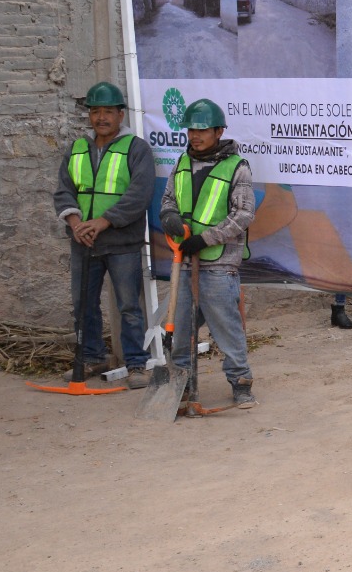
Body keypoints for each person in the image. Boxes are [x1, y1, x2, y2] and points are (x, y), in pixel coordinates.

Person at [52, 81, 156, 387]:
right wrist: (75, 224)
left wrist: (102, 222)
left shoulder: (136, 149)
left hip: (122, 242)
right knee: (83, 304)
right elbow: (63, 191)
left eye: (107, 111)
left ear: (120, 115)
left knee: (129, 306)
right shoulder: (77, 148)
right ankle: (93, 358)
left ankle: (137, 364)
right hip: (83, 240)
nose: (101, 118)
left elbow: (139, 195)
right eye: (95, 111)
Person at [159, 98, 258, 409]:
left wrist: (205, 239)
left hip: (219, 263)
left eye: (203, 130)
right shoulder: (181, 163)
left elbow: (243, 215)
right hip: (185, 261)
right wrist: (170, 219)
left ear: (218, 131)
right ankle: (182, 384)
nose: (195, 136)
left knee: (226, 327)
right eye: (191, 129)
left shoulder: (236, 167)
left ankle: (241, 383)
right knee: (182, 328)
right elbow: (167, 202)